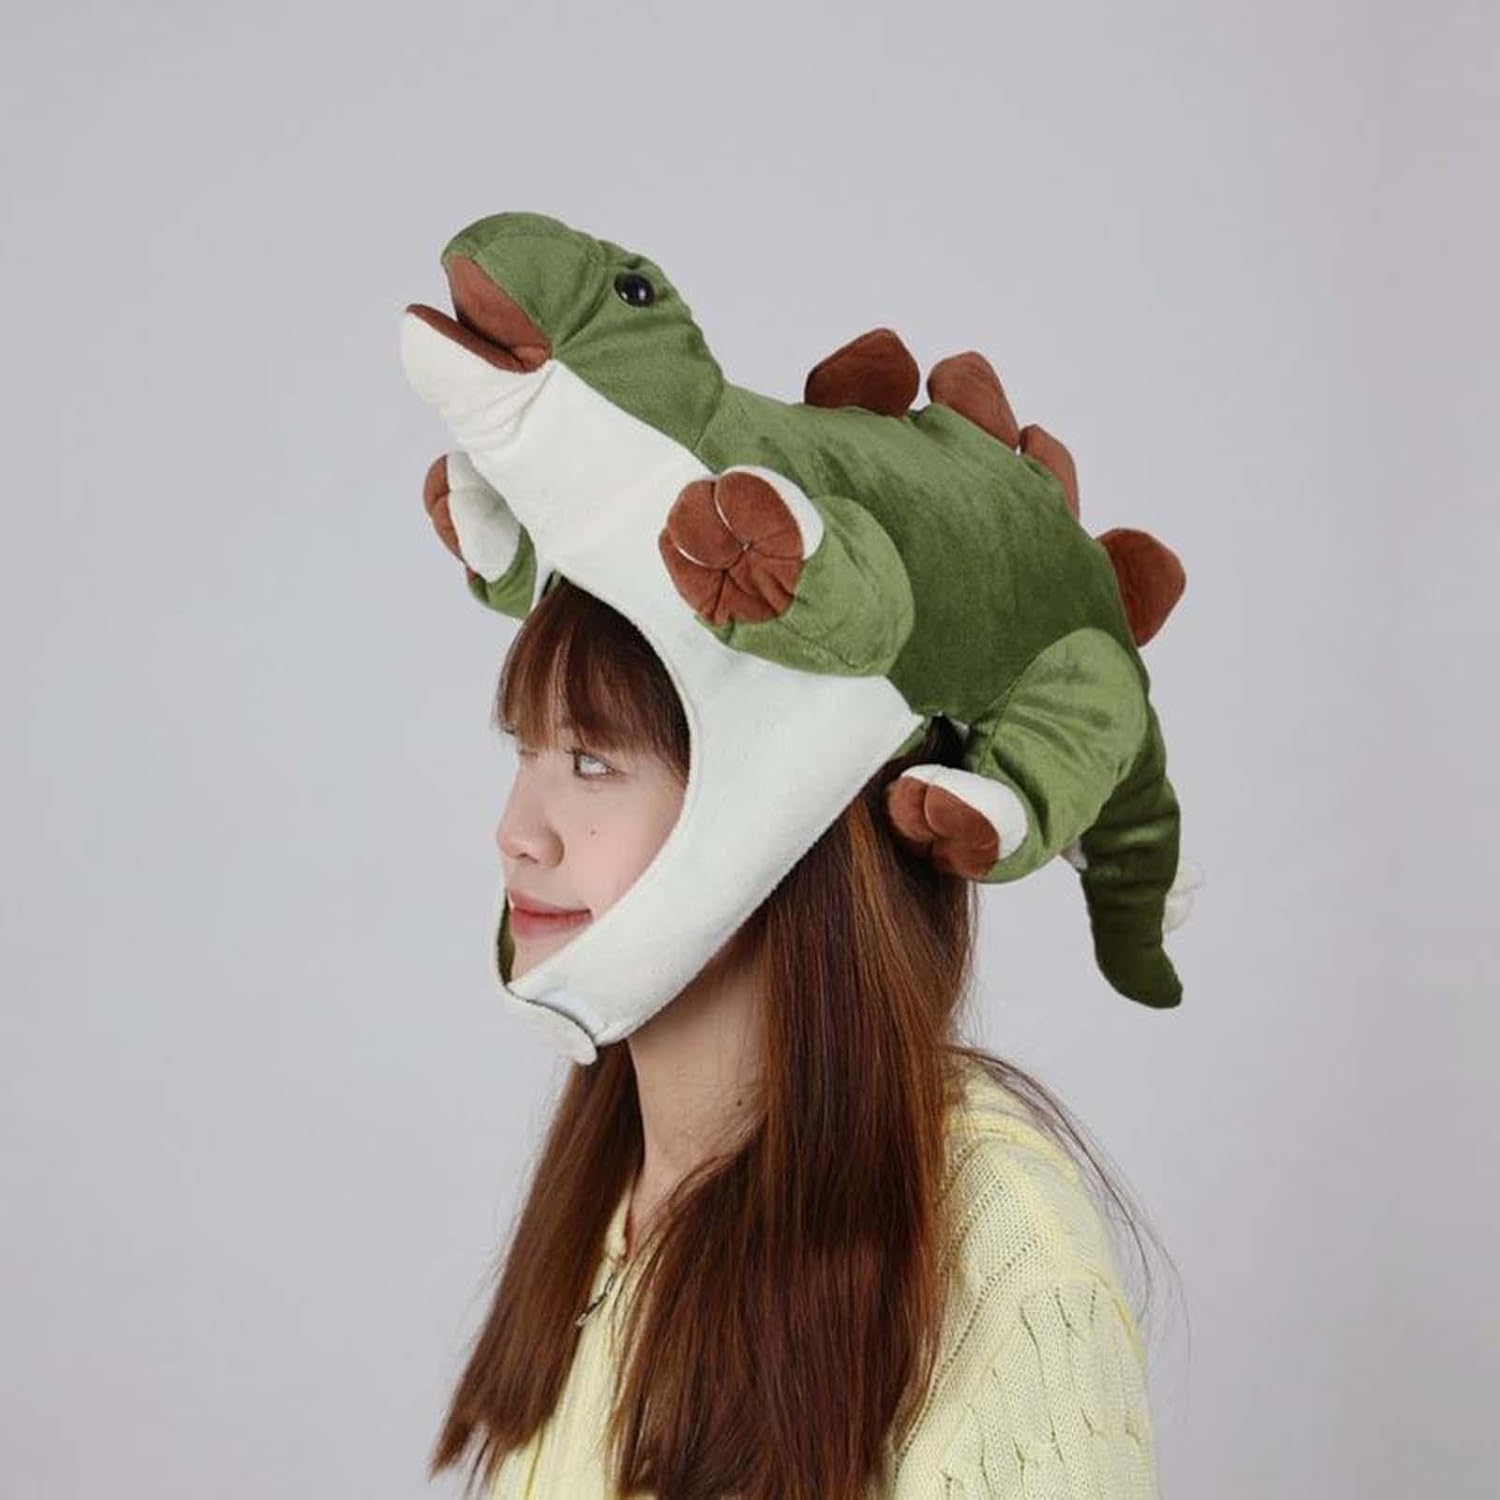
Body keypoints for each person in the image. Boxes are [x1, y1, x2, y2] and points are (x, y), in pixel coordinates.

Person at [427, 575, 1170, 1500]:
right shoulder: (611, 1177)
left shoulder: (994, 1242)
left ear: (779, 811)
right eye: (525, 749)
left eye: (592, 761)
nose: (515, 833)